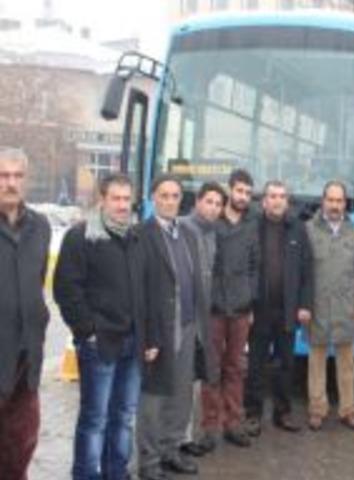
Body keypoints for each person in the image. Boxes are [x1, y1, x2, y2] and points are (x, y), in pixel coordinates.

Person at [54, 174, 145, 480]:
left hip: (133, 342)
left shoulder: (135, 236)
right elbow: (66, 289)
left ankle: (116, 472)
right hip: (99, 344)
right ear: (102, 199)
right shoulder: (81, 237)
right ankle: (85, 474)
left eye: (126, 198)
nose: (122, 205)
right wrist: (87, 331)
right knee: (95, 418)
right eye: (115, 198)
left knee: (123, 416)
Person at [137, 174, 214, 480]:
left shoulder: (188, 233)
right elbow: (139, 288)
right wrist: (146, 335)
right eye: (164, 195)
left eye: (175, 196)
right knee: (154, 399)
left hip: (189, 325)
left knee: (182, 394)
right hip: (160, 331)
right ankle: (149, 463)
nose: (170, 201)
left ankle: (171, 451)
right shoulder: (141, 234)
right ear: (152, 197)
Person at [245, 181, 312, 434]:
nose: (277, 201)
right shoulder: (253, 227)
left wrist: (304, 304)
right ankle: (252, 414)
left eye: (282, 196)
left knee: (286, 364)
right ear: (264, 201)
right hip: (259, 308)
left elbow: (307, 270)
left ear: (287, 201)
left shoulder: (297, 228)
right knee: (256, 365)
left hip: (288, 309)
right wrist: (246, 304)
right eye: (272, 196)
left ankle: (282, 414)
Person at [0, 147, 51, 480]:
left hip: (27, 351)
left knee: (22, 437)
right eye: (4, 175)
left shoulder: (40, 226)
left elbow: (38, 279)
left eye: (17, 176)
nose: (10, 183)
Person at [204, 169, 260, 447]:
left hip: (240, 309)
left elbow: (254, 266)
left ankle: (234, 423)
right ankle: (211, 425)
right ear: (230, 191)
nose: (243, 197)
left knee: (236, 367)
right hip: (214, 309)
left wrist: (250, 299)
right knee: (212, 368)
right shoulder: (213, 222)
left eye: (248, 193)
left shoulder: (252, 224)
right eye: (239, 191)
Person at [305, 180, 354, 431]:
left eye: (339, 201)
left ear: (345, 204)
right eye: (330, 200)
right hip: (317, 306)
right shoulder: (309, 230)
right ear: (323, 201)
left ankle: (348, 409)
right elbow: (302, 272)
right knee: (316, 361)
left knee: (347, 363)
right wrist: (304, 304)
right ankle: (317, 409)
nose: (335, 205)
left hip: (346, 306)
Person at [178, 182, 226, 457]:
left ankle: (183, 438)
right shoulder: (183, 228)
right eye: (209, 202)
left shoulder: (213, 233)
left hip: (203, 318)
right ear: (197, 201)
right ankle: (169, 442)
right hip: (184, 317)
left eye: (218, 204)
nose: (214, 208)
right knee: (177, 382)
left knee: (193, 380)